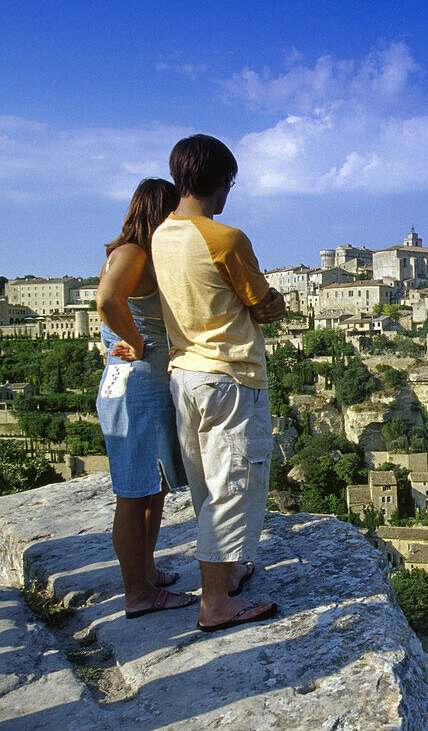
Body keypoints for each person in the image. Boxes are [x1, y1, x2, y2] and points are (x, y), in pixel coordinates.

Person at [152, 134, 285, 632]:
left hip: (183, 375)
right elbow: (263, 305)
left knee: (207, 486)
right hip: (230, 376)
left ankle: (225, 576)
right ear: (222, 182)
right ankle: (216, 602)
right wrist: (276, 303)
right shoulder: (225, 238)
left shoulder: (160, 235)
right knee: (234, 486)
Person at [96, 178, 197, 618]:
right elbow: (106, 301)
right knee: (134, 494)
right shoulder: (132, 252)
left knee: (150, 488)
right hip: (135, 386)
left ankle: (148, 575)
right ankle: (137, 594)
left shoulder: (138, 254)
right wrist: (136, 342)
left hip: (138, 388)